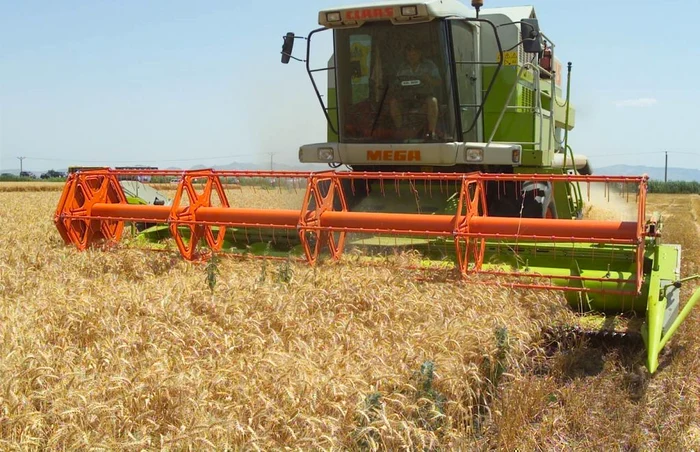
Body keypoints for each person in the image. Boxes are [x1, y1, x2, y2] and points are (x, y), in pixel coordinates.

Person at [389, 42, 441, 140]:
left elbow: (439, 82)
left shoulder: (429, 65)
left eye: (414, 54)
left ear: (420, 54)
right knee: (393, 103)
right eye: (409, 54)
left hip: (424, 99)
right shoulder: (402, 67)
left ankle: (431, 133)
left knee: (433, 101)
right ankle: (401, 131)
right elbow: (396, 83)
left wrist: (428, 79)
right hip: (406, 99)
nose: (412, 56)